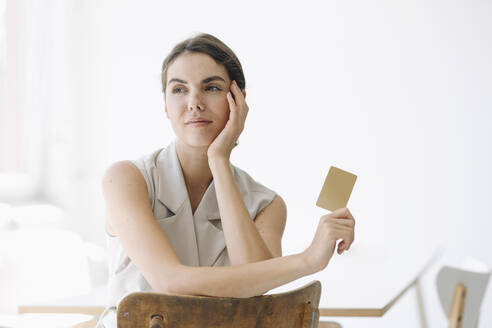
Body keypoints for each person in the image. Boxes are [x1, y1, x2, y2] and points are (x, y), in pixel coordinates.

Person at [95, 32, 355, 327]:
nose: (194, 102)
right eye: (179, 89)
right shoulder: (125, 178)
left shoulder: (267, 204)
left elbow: (256, 288)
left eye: (212, 88)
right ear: (165, 105)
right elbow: (169, 282)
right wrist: (307, 260)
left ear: (238, 100)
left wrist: (218, 160)